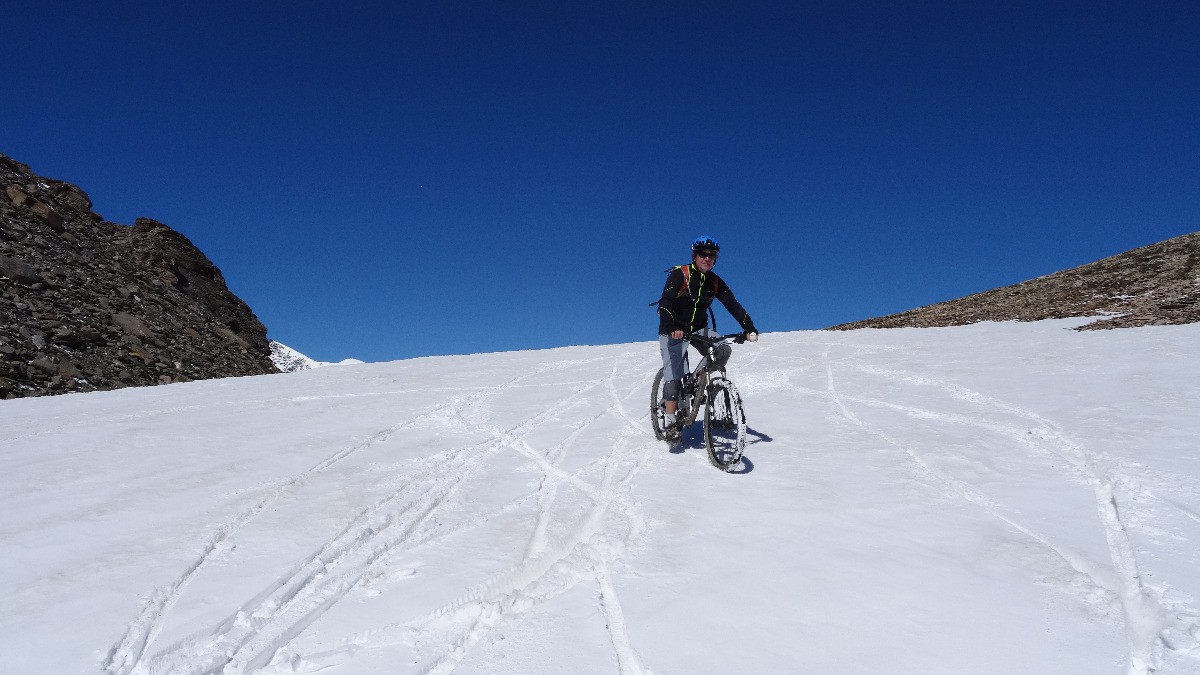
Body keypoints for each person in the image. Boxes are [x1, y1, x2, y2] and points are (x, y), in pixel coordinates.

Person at [657, 235, 758, 436]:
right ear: (695, 256)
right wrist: (671, 327)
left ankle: (698, 383)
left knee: (722, 349)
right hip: (674, 328)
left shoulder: (715, 281)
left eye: (712, 256)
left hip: (699, 329)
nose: (707, 258)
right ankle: (670, 422)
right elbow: (666, 301)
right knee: (673, 376)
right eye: (703, 254)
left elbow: (732, 304)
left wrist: (749, 328)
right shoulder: (680, 274)